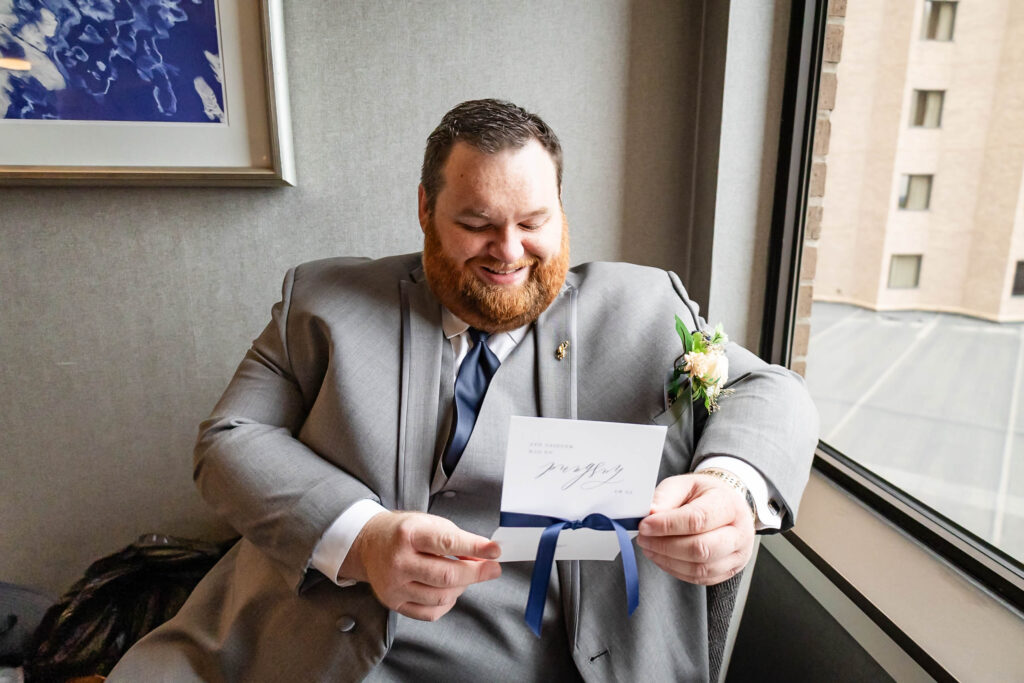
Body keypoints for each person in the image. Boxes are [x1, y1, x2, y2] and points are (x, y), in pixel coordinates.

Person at [110, 99, 818, 682]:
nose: (508, 251)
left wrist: (732, 486)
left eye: (534, 223)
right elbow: (229, 441)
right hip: (300, 651)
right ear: (425, 210)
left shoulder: (642, 308)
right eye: (476, 224)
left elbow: (770, 389)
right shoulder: (322, 302)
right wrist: (364, 539)